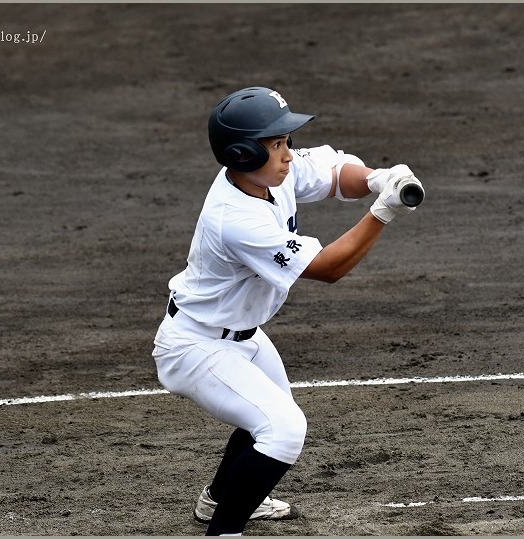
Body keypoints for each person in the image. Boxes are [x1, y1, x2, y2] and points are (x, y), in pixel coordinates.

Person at [151, 86, 423, 536]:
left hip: (242, 334)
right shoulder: (236, 217)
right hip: (196, 347)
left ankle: (217, 499)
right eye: (276, 144)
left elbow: (336, 174)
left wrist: (378, 178)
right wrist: (383, 211)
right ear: (241, 154)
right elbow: (328, 268)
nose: (288, 153)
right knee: (283, 430)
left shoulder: (268, 175)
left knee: (268, 414)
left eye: (286, 142)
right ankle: (224, 530)